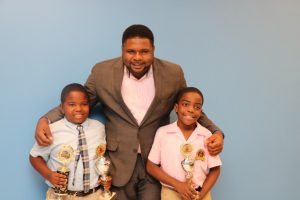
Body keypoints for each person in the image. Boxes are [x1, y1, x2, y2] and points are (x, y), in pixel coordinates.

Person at [34, 24, 224, 200]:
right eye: (131, 51)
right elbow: (80, 102)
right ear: (122, 49)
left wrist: (216, 132)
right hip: (118, 163)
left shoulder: (173, 73)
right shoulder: (102, 72)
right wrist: (46, 119)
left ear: (154, 50)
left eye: (144, 51)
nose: (137, 57)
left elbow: (189, 108)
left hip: (155, 163)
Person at [30, 83, 106, 199]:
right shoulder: (52, 130)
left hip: (94, 195)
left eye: (84, 104)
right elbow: (35, 157)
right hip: (62, 195)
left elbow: (101, 157)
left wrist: (105, 177)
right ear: (62, 107)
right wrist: (49, 175)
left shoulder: (99, 128)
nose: (79, 109)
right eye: (72, 104)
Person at [147, 87, 221, 200]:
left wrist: (200, 194)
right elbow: (151, 166)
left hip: (200, 193)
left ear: (201, 112)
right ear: (176, 108)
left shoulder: (206, 135)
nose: (191, 110)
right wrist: (177, 184)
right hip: (172, 192)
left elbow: (215, 169)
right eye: (186, 104)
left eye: (197, 107)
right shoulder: (163, 133)